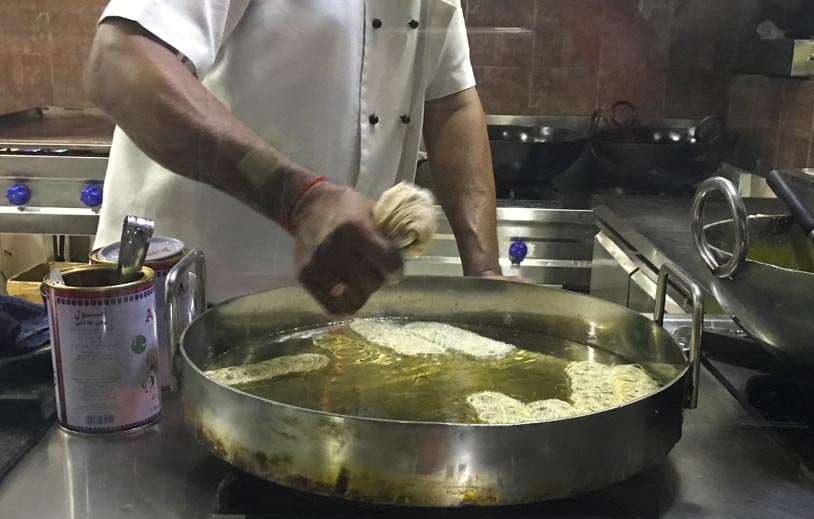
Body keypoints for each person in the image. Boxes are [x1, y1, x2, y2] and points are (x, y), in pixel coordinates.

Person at [88, 1, 505, 313]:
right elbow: (120, 61)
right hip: (179, 302)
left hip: (334, 307)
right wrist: (301, 200)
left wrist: (485, 274)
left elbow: (450, 103)